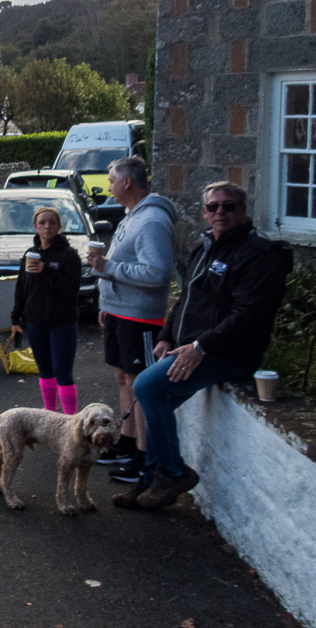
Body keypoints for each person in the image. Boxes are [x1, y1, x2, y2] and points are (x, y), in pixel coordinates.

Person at [115, 182, 289, 511]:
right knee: (154, 401)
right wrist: (167, 335)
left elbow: (248, 317)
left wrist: (200, 347)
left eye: (229, 206)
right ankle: (152, 479)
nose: (220, 212)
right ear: (205, 213)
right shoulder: (205, 247)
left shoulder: (258, 256)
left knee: (147, 387)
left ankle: (172, 473)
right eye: (213, 207)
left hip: (226, 354)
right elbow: (186, 300)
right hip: (191, 347)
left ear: (243, 211)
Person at [86, 156, 177, 483]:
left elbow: (157, 273)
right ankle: (126, 444)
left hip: (139, 317)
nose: (108, 186)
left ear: (127, 182)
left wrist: (107, 268)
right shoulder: (131, 216)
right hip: (118, 312)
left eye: (111, 180)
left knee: (139, 384)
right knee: (124, 379)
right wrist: (106, 302)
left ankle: (143, 458)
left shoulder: (151, 220)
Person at [11, 207, 83, 414]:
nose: (47, 226)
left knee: (63, 373)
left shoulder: (69, 255)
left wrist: (47, 270)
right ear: (35, 226)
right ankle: (49, 415)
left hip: (63, 323)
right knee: (45, 372)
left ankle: (70, 422)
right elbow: (21, 288)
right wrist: (15, 318)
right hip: (36, 322)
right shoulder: (30, 254)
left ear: (59, 226)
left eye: (52, 222)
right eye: (42, 223)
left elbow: (72, 290)